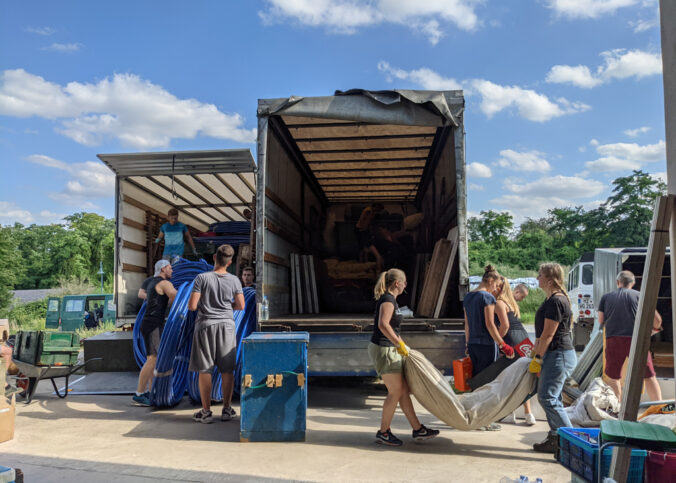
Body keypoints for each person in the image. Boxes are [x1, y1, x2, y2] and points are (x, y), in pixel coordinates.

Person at [368, 268, 440, 446]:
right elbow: (383, 325)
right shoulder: (388, 300)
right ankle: (384, 432)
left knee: (403, 390)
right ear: (397, 283)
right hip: (385, 349)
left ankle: (418, 429)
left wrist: (402, 344)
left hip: (390, 348)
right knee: (395, 392)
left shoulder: (391, 300)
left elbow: (392, 327)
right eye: (405, 282)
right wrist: (398, 344)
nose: (406, 285)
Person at [188, 244, 245, 424]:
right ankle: (227, 410)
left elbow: (192, 306)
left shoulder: (202, 278)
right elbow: (241, 305)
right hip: (227, 327)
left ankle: (206, 412)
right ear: (230, 262)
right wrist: (227, 306)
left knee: (205, 369)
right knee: (227, 370)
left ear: (214, 257)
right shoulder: (235, 280)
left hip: (205, 326)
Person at [529, 262, 577, 453]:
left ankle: (571, 442)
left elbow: (548, 334)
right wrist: (536, 352)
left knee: (547, 397)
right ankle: (556, 437)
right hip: (556, 354)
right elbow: (542, 334)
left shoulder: (556, 301)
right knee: (552, 397)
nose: (537, 278)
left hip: (558, 354)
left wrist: (538, 357)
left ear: (550, 279)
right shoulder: (553, 299)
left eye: (540, 275)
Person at [597, 270, 662, 402]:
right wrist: (654, 329)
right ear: (633, 283)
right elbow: (657, 321)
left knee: (613, 376)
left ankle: (617, 408)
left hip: (613, 340)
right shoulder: (640, 296)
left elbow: (601, 320)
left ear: (618, 282)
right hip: (636, 340)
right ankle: (659, 406)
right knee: (649, 375)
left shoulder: (606, 297)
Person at [132, 260, 177, 407]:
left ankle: (151, 392)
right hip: (153, 324)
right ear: (163, 269)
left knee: (153, 360)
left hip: (151, 323)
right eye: (170, 268)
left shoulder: (152, 282)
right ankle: (139, 394)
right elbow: (176, 296)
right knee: (153, 360)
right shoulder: (164, 283)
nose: (172, 270)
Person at [493, 278, 536, 426]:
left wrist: (498, 341)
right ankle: (528, 414)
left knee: (510, 378)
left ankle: (509, 413)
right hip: (523, 340)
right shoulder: (512, 304)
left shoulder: (500, 303)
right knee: (523, 377)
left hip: (511, 341)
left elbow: (504, 326)